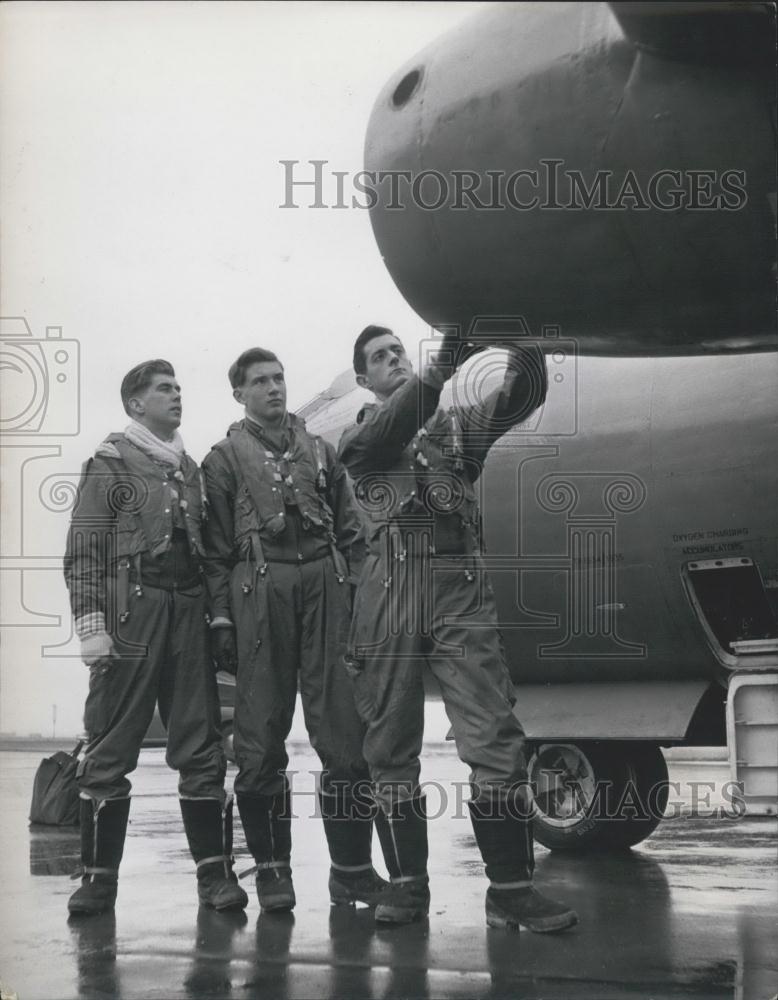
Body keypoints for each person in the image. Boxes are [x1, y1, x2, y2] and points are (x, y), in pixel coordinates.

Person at [338, 324, 578, 932]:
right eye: (380, 358)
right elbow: (392, 428)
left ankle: (511, 892)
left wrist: (522, 338)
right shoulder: (360, 437)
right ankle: (407, 889)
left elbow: (519, 397)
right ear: (364, 379)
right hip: (390, 587)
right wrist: (440, 367)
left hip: (458, 584)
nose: (394, 360)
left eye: (398, 351)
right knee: (390, 743)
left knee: (494, 732)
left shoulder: (456, 430)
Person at [200, 347, 388, 912]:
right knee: (259, 740)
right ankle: (272, 872)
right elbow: (214, 552)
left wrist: (359, 599)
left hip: (326, 588)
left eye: (278, 378)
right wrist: (221, 617)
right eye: (260, 381)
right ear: (239, 394)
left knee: (346, 735)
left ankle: (352, 871)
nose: (274, 388)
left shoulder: (321, 451)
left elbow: (353, 532)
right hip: (259, 592)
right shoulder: (223, 460)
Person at [64, 359, 247, 916]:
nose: (176, 395)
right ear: (135, 403)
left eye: (179, 388)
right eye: (164, 389)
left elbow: (211, 554)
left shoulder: (191, 469)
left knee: (201, 743)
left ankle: (214, 875)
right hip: (131, 612)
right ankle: (98, 881)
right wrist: (91, 625)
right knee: (110, 742)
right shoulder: (110, 463)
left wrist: (219, 618)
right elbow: (84, 552)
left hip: (188, 611)